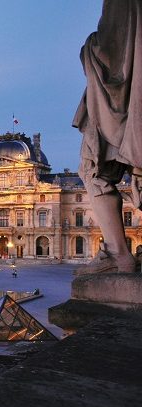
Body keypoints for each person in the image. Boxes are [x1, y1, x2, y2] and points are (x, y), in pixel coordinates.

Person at [74, 1, 142, 274]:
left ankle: (117, 252)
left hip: (116, 105)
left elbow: (108, 48)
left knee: (93, 170)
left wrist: (88, 48)